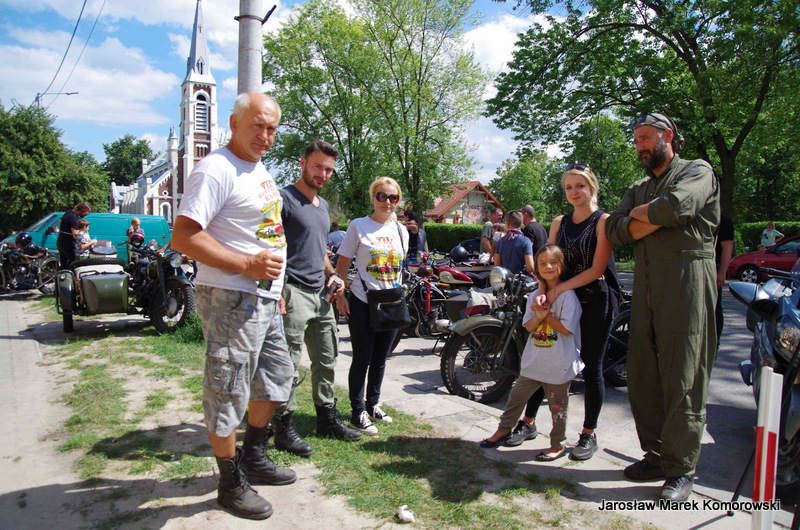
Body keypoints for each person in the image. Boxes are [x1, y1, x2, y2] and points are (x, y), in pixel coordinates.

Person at [170, 92, 296, 521]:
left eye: (272, 128)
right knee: (227, 390)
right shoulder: (216, 168)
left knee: (276, 378)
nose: (265, 135)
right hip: (230, 298)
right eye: (257, 125)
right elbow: (184, 237)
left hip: (264, 297)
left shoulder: (257, 168)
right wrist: (247, 265)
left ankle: (254, 455)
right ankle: (229, 482)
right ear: (234, 123)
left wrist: (274, 287)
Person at [606, 112, 719, 502]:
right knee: (643, 376)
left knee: (683, 377)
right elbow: (614, 228)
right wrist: (651, 215)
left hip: (688, 284)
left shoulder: (698, 171)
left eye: (644, 138)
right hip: (646, 288)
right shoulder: (639, 187)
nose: (639, 146)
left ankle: (681, 467)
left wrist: (642, 216)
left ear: (667, 136)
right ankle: (655, 457)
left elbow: (675, 207)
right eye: (636, 139)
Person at [517, 164, 619, 461]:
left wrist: (557, 290)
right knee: (544, 358)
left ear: (592, 187)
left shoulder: (603, 221)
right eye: (569, 187)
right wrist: (542, 290)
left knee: (591, 367)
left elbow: (597, 269)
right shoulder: (559, 223)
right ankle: (528, 422)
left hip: (595, 300)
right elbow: (546, 262)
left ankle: (588, 434)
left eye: (580, 186)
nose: (574, 192)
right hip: (559, 299)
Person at [274, 140, 362, 457]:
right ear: (303, 163)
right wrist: (275, 290)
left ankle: (326, 419)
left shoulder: (322, 205)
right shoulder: (283, 200)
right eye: (317, 166)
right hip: (292, 291)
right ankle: (283, 426)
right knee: (287, 362)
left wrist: (333, 274)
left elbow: (320, 250)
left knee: (326, 358)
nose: (323, 174)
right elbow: (269, 247)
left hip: (321, 294)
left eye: (328, 169)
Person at [479, 245, 583, 461]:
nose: (548, 267)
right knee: (516, 398)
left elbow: (566, 328)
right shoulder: (535, 296)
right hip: (534, 362)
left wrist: (546, 316)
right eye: (543, 263)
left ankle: (557, 444)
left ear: (561, 265)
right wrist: (538, 317)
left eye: (553, 262)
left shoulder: (568, 297)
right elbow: (528, 326)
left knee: (558, 408)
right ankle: (503, 430)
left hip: (558, 365)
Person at [334, 177, 409, 435]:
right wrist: (340, 296)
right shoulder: (358, 226)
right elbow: (343, 263)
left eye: (393, 197)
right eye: (381, 196)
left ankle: (373, 403)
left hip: (390, 302)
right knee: (362, 359)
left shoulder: (401, 231)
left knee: (380, 359)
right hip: (363, 300)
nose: (387, 202)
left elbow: (400, 266)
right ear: (373, 198)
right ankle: (357, 412)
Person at [494, 210, 534, 275]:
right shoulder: (525, 241)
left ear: (507, 224)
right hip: (520, 278)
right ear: (521, 224)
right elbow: (530, 267)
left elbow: (497, 266)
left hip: (506, 278)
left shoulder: (500, 241)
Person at [715, 214, 734, 349]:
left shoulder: (723, 221)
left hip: (713, 268)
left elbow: (727, 247)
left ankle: (715, 344)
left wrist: (722, 272)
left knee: (715, 308)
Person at [57, 202, 91, 269]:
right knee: (75, 263)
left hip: (61, 241)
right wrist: (87, 242)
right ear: (81, 210)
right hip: (67, 243)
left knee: (64, 263)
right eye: (86, 213)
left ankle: (62, 274)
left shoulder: (68, 213)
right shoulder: (73, 218)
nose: (86, 215)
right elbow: (75, 234)